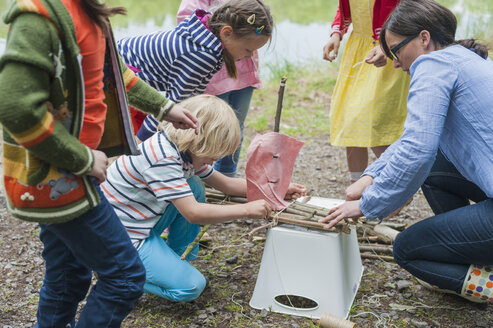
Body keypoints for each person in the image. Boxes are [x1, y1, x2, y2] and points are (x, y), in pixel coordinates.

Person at [0, 0, 199, 326]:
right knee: (125, 277)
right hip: (59, 178)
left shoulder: (90, 12)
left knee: (69, 275)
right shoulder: (39, 16)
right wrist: (82, 158)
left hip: (77, 173)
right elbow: (14, 107)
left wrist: (164, 108)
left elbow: (116, 75)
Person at [320, 0, 493, 304]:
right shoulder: (462, 58)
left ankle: (486, 282)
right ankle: (474, 255)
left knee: (406, 249)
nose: (396, 63)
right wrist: (372, 176)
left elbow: (417, 148)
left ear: (424, 38)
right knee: (436, 167)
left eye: (395, 50)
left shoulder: (432, 64)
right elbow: (417, 140)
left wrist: (369, 204)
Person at [101, 94, 307, 302]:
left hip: (140, 224)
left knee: (194, 185)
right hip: (119, 238)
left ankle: (174, 258)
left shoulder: (183, 151)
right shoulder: (162, 157)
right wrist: (246, 210)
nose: (217, 159)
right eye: (215, 152)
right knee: (191, 287)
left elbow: (226, 184)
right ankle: (117, 276)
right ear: (200, 140)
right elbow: (193, 213)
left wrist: (276, 190)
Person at [117, 0, 273, 145]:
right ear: (226, 33)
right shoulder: (200, 57)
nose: (249, 56)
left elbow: (191, 99)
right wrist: (140, 141)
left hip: (133, 78)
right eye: (248, 50)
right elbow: (167, 108)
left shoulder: (207, 36)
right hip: (121, 78)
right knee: (135, 148)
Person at [322, 0, 409, 184]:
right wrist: (336, 32)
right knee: (349, 117)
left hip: (388, 51)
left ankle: (399, 182)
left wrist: (387, 44)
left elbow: (409, 13)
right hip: (358, 49)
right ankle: (357, 184)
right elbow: (346, 9)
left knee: (374, 120)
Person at [176, 0, 263, 177]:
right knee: (209, 125)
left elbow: (258, 25)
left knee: (236, 125)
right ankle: (196, 171)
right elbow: (186, 19)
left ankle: (227, 173)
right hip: (213, 74)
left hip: (243, 72)